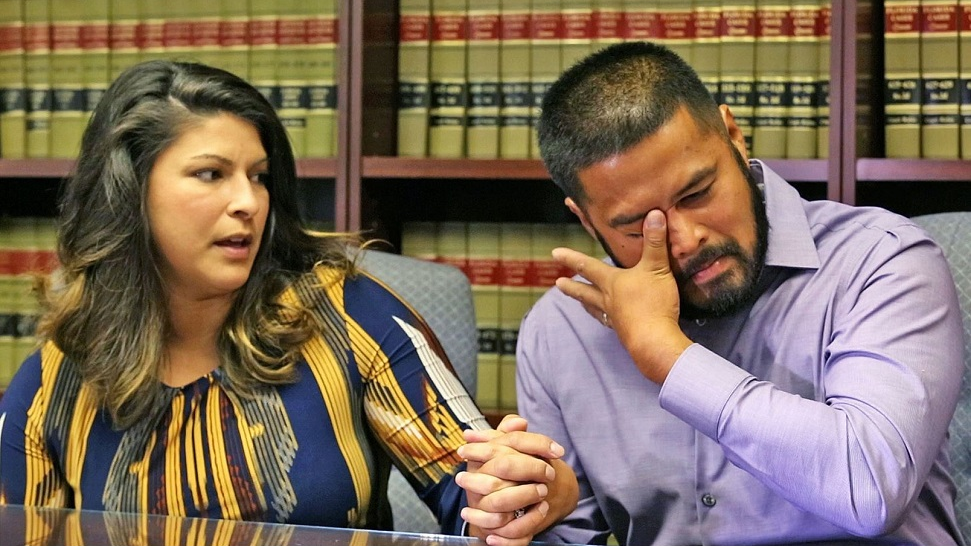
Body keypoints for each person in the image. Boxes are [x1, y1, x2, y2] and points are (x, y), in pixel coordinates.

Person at [0, 60, 577, 546]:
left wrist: (521, 491)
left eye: (258, 177)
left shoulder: (349, 314)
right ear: (129, 192)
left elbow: (472, 489)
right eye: (211, 174)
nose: (248, 202)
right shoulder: (52, 383)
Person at [517, 41, 966, 546]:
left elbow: (871, 488)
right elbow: (571, 535)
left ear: (734, 137)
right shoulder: (560, 329)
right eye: (637, 225)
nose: (686, 239)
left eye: (697, 194)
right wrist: (526, 518)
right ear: (585, 219)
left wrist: (669, 357)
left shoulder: (880, 261)